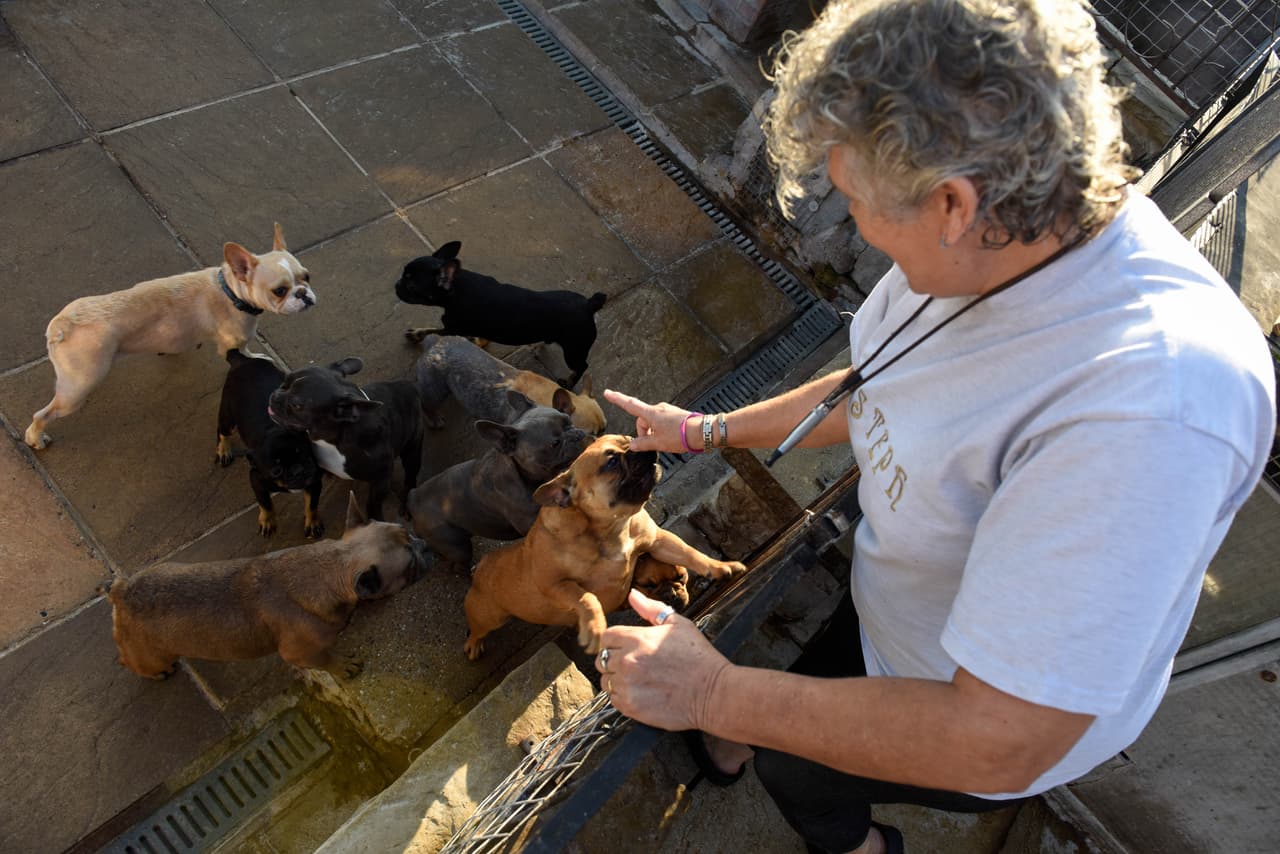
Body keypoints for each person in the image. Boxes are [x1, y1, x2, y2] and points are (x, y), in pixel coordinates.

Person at [594, 1, 1278, 852]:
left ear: (952, 203)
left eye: (853, 198)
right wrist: (702, 430)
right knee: (801, 694)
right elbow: (879, 384)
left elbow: (999, 736)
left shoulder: (1146, 419)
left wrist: (713, 695)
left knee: (795, 771)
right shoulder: (1006, 238)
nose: (861, 230)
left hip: (963, 724)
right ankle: (742, 741)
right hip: (905, 612)